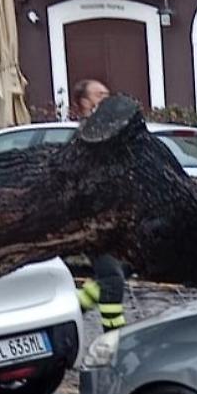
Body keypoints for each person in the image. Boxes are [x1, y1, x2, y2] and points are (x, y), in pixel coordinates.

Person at [70, 79, 127, 332]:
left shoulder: (107, 132)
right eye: (98, 94)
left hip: (109, 222)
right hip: (92, 223)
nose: (106, 98)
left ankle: (69, 310)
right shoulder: (84, 137)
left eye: (107, 93)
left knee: (120, 270)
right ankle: (114, 341)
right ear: (84, 103)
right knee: (113, 280)